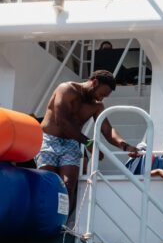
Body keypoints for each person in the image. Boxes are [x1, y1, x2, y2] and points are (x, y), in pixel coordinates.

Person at [35, 70, 140, 221]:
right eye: (101, 93)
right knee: (47, 183)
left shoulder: (96, 106)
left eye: (104, 96)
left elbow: (107, 130)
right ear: (95, 82)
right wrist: (88, 143)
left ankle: (61, 224)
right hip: (49, 140)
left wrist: (125, 146)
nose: (101, 98)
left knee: (68, 184)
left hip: (72, 143)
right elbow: (61, 121)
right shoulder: (66, 89)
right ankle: (40, 220)